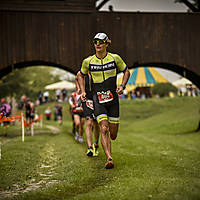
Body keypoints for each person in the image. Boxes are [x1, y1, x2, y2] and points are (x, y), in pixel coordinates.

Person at [77, 32, 130, 169]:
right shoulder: (88, 61)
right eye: (95, 42)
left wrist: (122, 86)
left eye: (100, 41)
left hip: (113, 99)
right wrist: (83, 91)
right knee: (103, 128)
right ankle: (109, 158)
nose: (98, 44)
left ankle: (109, 147)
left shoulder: (115, 58)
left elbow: (126, 71)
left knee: (113, 134)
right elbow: (80, 75)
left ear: (107, 43)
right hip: (98, 99)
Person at [76, 73, 100, 157]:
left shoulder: (97, 69)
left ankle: (96, 143)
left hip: (97, 98)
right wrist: (79, 89)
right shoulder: (83, 72)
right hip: (87, 98)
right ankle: (89, 147)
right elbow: (77, 78)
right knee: (89, 122)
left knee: (96, 123)